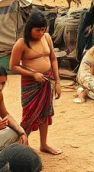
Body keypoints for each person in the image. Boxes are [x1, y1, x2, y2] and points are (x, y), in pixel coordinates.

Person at [9, 10, 62, 155]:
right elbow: (13, 66)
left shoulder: (47, 38)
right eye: (37, 30)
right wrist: (33, 74)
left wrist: (57, 81)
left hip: (47, 81)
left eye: (43, 30)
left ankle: (44, 144)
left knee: (45, 112)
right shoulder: (21, 43)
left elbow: (53, 59)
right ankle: (22, 146)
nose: (40, 33)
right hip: (30, 83)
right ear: (30, 28)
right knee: (29, 113)